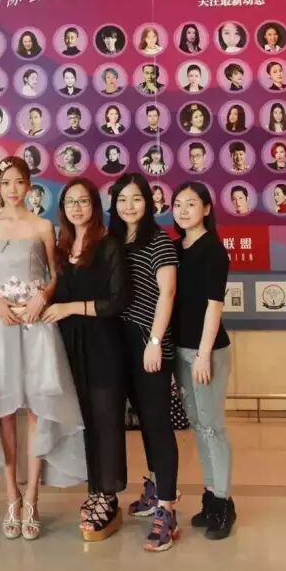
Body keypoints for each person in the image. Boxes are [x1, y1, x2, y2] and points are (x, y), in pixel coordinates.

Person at [0, 157, 86, 544]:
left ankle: (33, 497)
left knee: (38, 409)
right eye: (6, 182)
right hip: (1, 325)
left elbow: (55, 274)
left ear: (30, 186)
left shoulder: (42, 227)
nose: (13, 189)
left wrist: (42, 298)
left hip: (36, 325)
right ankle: (11, 497)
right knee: (4, 410)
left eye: (20, 182)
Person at [42, 179, 130, 541]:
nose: (77, 208)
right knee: (85, 423)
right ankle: (94, 491)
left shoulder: (109, 245)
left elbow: (118, 300)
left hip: (103, 345)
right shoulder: (60, 249)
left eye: (83, 201)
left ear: (95, 205)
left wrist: (71, 308)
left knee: (106, 421)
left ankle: (107, 495)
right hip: (68, 348)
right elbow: (50, 293)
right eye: (70, 202)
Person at [110, 173, 179, 551]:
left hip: (149, 342)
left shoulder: (159, 241)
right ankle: (155, 488)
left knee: (157, 424)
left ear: (148, 203)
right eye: (122, 199)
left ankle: (167, 508)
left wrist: (154, 341)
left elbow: (167, 293)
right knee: (143, 422)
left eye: (136, 199)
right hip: (120, 341)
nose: (129, 206)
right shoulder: (115, 240)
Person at [171, 182, 236, 539]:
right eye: (178, 204)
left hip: (207, 352)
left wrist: (203, 354)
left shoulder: (213, 250)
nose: (183, 210)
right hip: (181, 351)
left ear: (207, 209)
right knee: (198, 425)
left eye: (191, 204)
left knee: (213, 426)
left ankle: (224, 503)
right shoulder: (175, 248)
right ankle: (210, 497)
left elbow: (214, 306)